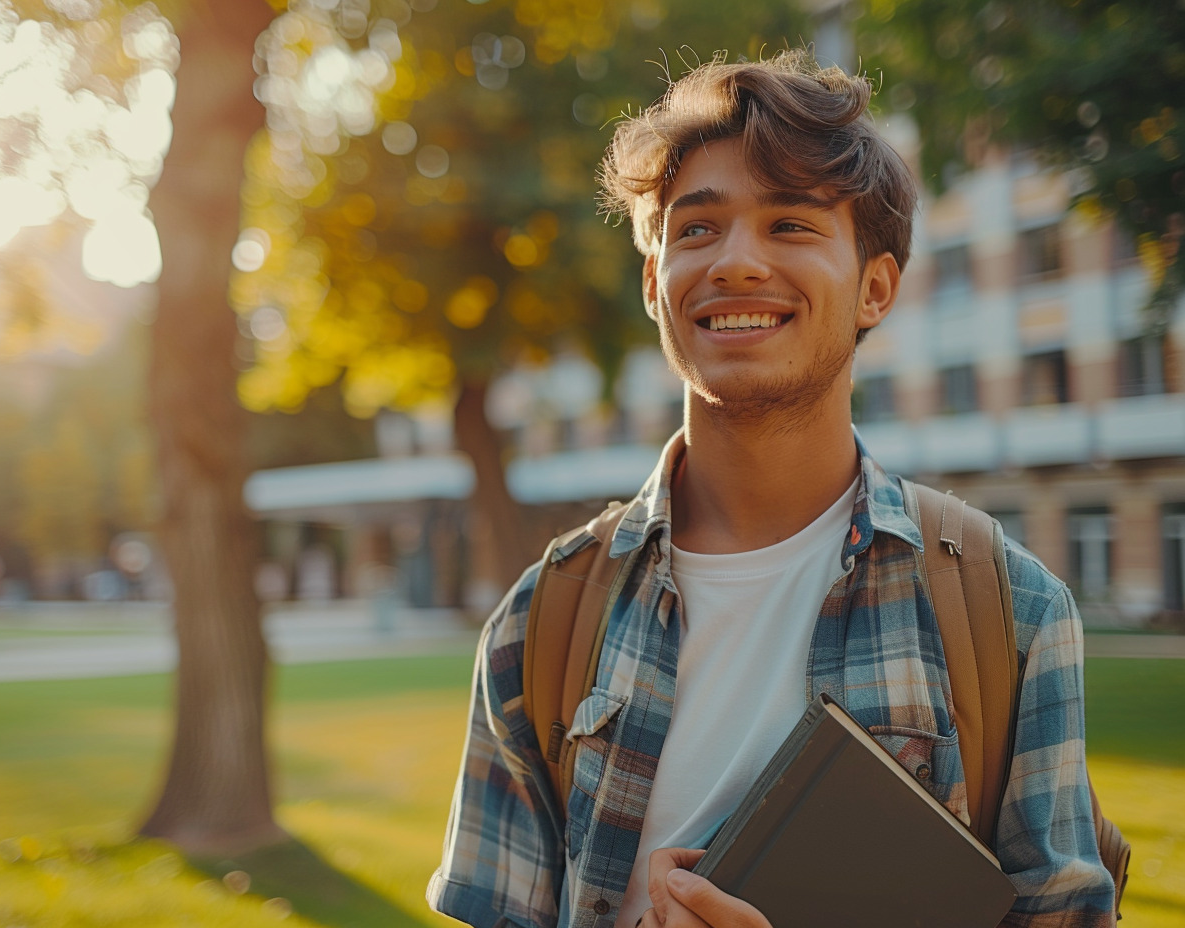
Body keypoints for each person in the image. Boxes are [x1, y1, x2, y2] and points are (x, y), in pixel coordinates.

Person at [428, 48, 1116, 928]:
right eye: (697, 229)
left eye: (791, 225)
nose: (737, 263)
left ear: (875, 288)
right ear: (653, 282)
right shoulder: (541, 622)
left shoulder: (1012, 611)